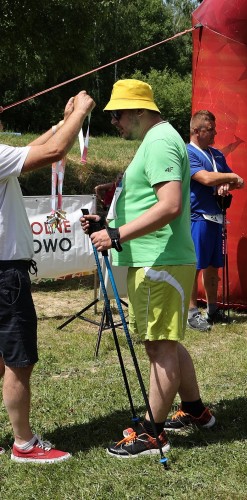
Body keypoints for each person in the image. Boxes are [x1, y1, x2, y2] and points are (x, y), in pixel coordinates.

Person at [81, 79, 215, 457]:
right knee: (167, 342)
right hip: (159, 258)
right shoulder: (157, 140)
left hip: (161, 260)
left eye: (117, 115)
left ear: (138, 110)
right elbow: (149, 201)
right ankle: (194, 410)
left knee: (159, 349)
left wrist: (116, 233)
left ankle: (151, 433)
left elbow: (170, 204)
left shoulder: (158, 142)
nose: (115, 123)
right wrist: (107, 222)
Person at [0, 91, 95, 463]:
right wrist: (83, 111)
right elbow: (53, 153)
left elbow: (36, 148)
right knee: (18, 360)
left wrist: (62, 123)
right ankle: (23, 444)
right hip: (6, 274)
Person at [187, 110, 244, 331]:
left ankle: (212, 310)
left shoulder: (217, 155)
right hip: (196, 216)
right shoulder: (188, 153)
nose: (215, 134)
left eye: (214, 129)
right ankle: (192, 313)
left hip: (216, 217)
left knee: (213, 266)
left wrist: (227, 183)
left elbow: (239, 182)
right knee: (194, 266)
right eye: (210, 130)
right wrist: (227, 178)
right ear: (196, 131)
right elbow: (205, 178)